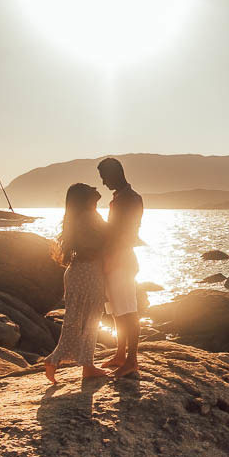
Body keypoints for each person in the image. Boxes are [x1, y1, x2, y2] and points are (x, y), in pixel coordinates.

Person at [44, 183, 109, 384]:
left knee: (78, 318)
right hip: (88, 271)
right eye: (90, 188)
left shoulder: (81, 217)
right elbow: (93, 247)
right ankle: (76, 364)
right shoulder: (88, 217)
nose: (95, 187)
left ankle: (62, 361)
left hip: (80, 271)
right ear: (84, 197)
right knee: (89, 318)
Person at [97, 157, 144, 378]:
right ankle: (120, 354)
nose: (104, 183)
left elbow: (125, 232)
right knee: (117, 310)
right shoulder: (119, 197)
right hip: (113, 257)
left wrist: (111, 255)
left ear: (115, 173)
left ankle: (132, 360)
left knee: (128, 310)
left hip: (122, 259)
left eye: (105, 177)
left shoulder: (131, 199)